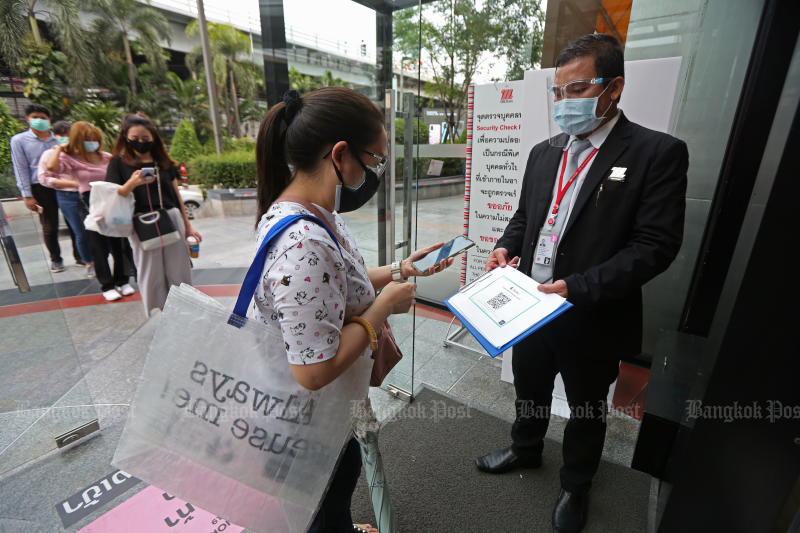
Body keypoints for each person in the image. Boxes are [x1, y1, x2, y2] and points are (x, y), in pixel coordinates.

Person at [474, 34, 688, 533]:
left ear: (613, 88)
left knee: (587, 408)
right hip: (530, 304)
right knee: (529, 387)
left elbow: (654, 246)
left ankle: (576, 485)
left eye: (576, 90)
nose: (563, 103)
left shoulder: (656, 153)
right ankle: (526, 448)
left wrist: (578, 287)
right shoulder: (544, 152)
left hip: (591, 312)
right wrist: (507, 246)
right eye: (558, 91)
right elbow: (527, 217)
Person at [253, 88, 453, 533]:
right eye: (375, 160)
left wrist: (399, 270)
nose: (377, 171)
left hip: (325, 410)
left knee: (334, 499)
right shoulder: (303, 243)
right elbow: (313, 372)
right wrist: (382, 309)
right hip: (310, 420)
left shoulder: (310, 208)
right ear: (340, 155)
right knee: (323, 506)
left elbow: (335, 283)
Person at [107, 114, 201, 316]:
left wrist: (188, 227)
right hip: (141, 222)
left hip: (171, 218)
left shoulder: (165, 163)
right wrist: (132, 183)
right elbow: (115, 194)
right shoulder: (118, 163)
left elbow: (176, 196)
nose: (140, 142)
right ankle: (156, 312)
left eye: (145, 138)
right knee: (149, 271)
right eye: (135, 138)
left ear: (153, 138)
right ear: (125, 137)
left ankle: (184, 310)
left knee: (179, 269)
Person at [46, 121, 135, 301]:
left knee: (120, 243)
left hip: (113, 202)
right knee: (98, 245)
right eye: (87, 139)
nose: (92, 141)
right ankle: (107, 284)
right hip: (90, 203)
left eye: (95, 138)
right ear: (78, 140)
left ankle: (122, 280)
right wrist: (59, 149)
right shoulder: (71, 159)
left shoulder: (106, 157)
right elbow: (51, 168)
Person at [10, 104, 81, 272]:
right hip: (40, 188)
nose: (39, 120)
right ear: (28, 119)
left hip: (65, 186)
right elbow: (20, 168)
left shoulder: (59, 138)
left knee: (74, 222)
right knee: (49, 226)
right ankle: (56, 259)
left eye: (43, 117)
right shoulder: (19, 141)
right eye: (35, 117)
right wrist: (27, 195)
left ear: (49, 120)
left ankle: (80, 256)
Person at [39, 120, 95, 277]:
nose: (64, 138)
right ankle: (89, 262)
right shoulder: (50, 154)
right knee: (80, 231)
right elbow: (44, 177)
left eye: (67, 134)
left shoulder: (85, 152)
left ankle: (101, 260)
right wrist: (72, 183)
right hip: (67, 196)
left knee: (97, 230)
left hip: (89, 194)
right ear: (55, 136)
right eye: (60, 135)